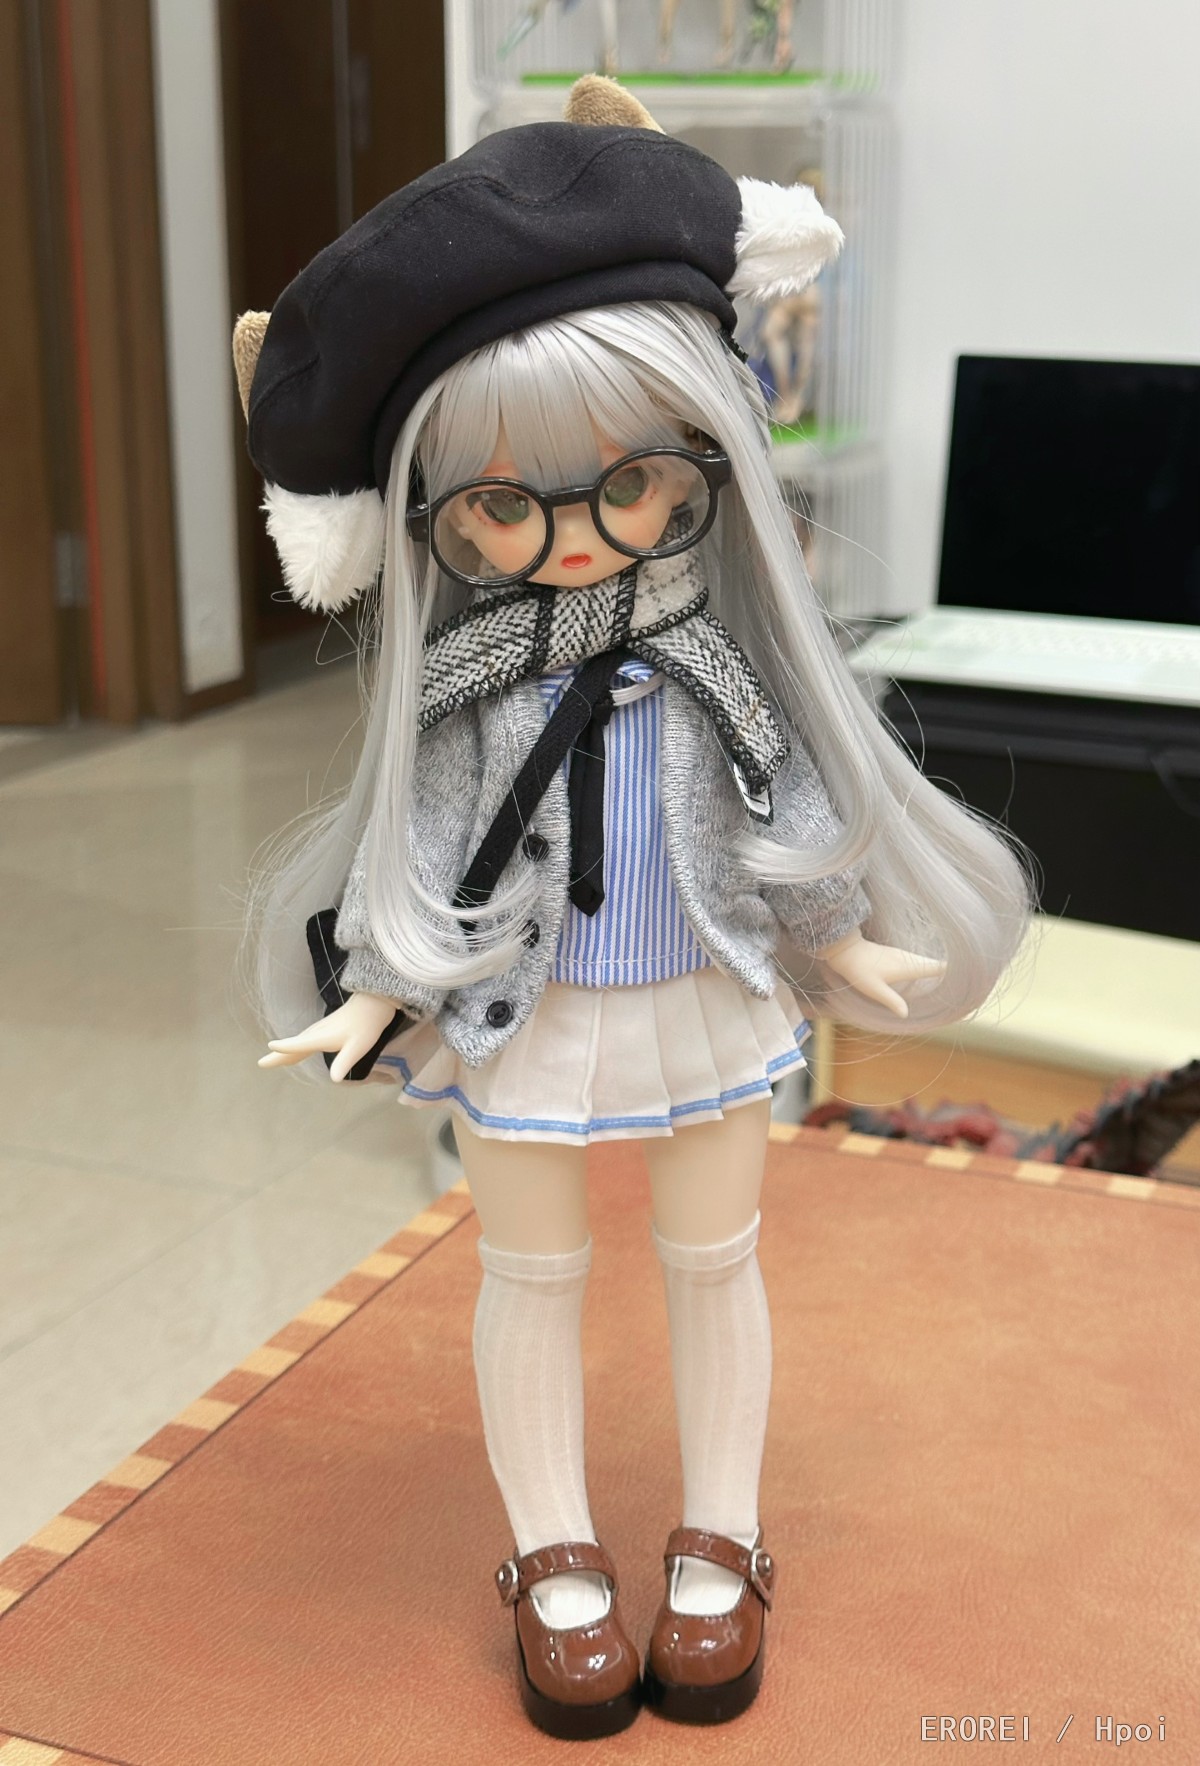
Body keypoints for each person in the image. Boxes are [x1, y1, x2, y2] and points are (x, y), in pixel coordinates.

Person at [237, 77, 1030, 1738]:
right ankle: (552, 1552)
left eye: (630, 482)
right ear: (440, 517)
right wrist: (376, 986)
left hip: (706, 988)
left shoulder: (722, 664)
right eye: (502, 506)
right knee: (527, 1273)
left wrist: (835, 931)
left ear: (699, 463)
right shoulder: (467, 691)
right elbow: (424, 844)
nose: (579, 540)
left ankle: (722, 1535)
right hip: (521, 1005)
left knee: (715, 1258)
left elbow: (781, 795)